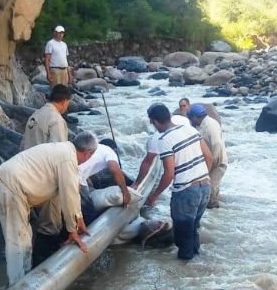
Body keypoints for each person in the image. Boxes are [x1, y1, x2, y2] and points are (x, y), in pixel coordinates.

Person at [0, 132, 98, 285]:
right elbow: (69, 195)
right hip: (9, 187)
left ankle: (23, 283)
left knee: (25, 239)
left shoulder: (64, 151)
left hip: (12, 188)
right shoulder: (68, 159)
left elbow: (71, 194)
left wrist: (78, 219)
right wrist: (73, 231)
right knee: (17, 242)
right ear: (88, 153)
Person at [143, 104, 213, 261]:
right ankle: (196, 265)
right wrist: (201, 176)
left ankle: (186, 270)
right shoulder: (190, 129)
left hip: (186, 192)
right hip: (205, 187)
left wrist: (154, 195)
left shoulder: (165, 139)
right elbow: (209, 157)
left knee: (183, 237)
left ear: (154, 121)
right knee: (193, 229)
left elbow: (169, 174)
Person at [78, 139, 131, 223]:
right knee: (88, 209)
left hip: (71, 173)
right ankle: (89, 230)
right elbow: (114, 169)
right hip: (77, 178)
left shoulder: (94, 149)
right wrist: (125, 192)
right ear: (114, 150)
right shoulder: (110, 152)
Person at [187, 105, 228, 208]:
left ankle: (214, 218)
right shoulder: (201, 125)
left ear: (196, 117)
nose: (190, 121)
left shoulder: (211, 125)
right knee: (208, 191)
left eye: (191, 118)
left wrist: (213, 164)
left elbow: (217, 145)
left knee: (210, 192)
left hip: (218, 163)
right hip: (209, 162)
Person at [21, 84, 70, 150]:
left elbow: (23, 144)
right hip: (43, 159)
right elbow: (59, 150)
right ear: (64, 102)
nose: (67, 108)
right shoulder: (56, 120)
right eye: (68, 104)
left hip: (27, 158)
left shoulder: (35, 114)